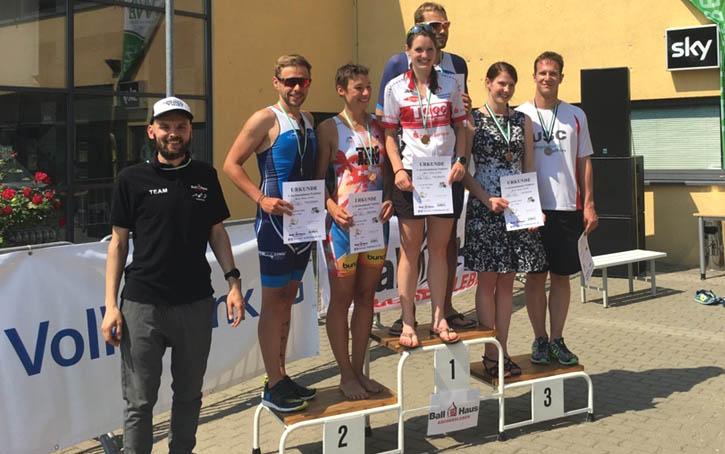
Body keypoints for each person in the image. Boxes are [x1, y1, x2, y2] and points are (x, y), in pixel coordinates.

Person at [101, 96, 245, 454]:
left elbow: (217, 233)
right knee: (139, 402)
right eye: (165, 126)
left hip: (194, 303)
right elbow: (118, 243)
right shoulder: (131, 179)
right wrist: (110, 306)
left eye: (181, 126)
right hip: (142, 304)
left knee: (189, 395)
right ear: (151, 131)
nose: (173, 133)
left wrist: (233, 283)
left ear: (189, 131)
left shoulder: (205, 176)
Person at [223, 55, 318, 412]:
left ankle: (281, 375)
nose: (296, 88)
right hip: (274, 226)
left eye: (302, 81)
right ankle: (273, 383)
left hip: (302, 224)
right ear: (277, 82)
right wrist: (260, 198)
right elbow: (231, 164)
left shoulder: (308, 120)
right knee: (273, 302)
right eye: (289, 81)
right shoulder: (265, 118)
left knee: (288, 299)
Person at [376, 1, 476, 336]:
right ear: (408, 51)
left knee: (439, 251)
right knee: (409, 251)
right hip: (411, 177)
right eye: (418, 49)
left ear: (436, 53)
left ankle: (439, 317)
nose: (424, 55)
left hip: (444, 176)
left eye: (429, 50)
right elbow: (389, 135)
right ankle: (407, 321)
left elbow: (462, 127)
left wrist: (461, 161)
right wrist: (398, 171)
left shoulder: (450, 83)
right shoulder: (394, 88)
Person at [462, 62, 547, 377]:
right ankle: (489, 354)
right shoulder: (473, 120)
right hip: (486, 208)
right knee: (487, 283)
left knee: (508, 284)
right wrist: (487, 199)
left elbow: (528, 167)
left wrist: (532, 208)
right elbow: (463, 171)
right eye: (500, 83)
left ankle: (504, 350)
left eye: (511, 84)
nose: (506, 89)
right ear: (487, 83)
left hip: (515, 210)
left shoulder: (523, 120)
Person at [316, 64, 394, 400]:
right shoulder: (329, 128)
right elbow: (318, 179)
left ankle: (359, 370)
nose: (365, 93)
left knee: (366, 298)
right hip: (343, 227)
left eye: (368, 87)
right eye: (358, 88)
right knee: (341, 300)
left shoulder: (379, 126)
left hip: (374, 225)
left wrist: (389, 199)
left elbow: (388, 171)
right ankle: (345, 374)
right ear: (341, 90)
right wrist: (331, 207)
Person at [516, 51, 598, 365]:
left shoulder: (576, 115)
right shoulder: (520, 114)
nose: (547, 78)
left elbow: (584, 161)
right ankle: (539, 339)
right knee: (535, 277)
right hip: (533, 210)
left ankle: (556, 339)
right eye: (542, 73)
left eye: (553, 73)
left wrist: (589, 204)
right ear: (534, 76)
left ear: (561, 77)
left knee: (561, 277)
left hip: (567, 207)